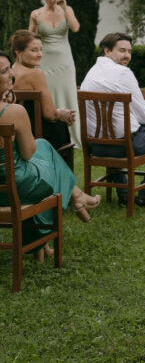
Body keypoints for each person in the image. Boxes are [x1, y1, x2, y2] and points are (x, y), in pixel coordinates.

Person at [0, 51, 99, 258]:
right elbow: (27, 154)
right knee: (47, 161)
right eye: (4, 71)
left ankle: (76, 200)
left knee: (43, 145)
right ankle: (75, 199)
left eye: (10, 68)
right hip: (13, 188)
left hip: (7, 184)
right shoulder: (13, 112)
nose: (11, 74)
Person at [80, 33, 145, 206]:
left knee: (116, 132)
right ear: (107, 51)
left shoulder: (91, 72)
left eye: (129, 51)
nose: (127, 55)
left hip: (96, 146)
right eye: (122, 50)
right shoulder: (123, 73)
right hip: (124, 146)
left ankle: (124, 193)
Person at [28, 0, 81, 147]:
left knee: (67, 92)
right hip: (44, 60)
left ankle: (73, 134)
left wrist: (65, 8)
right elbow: (30, 39)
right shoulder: (36, 13)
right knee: (48, 92)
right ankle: (50, 131)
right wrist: (36, 23)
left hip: (64, 60)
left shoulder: (67, 9)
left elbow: (75, 28)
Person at [10, 30, 75, 155]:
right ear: (19, 52)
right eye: (34, 50)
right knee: (63, 128)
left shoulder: (12, 70)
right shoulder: (35, 74)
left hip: (16, 132)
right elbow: (49, 114)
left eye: (40, 49)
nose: (40, 54)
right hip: (36, 133)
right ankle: (58, 171)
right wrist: (61, 113)